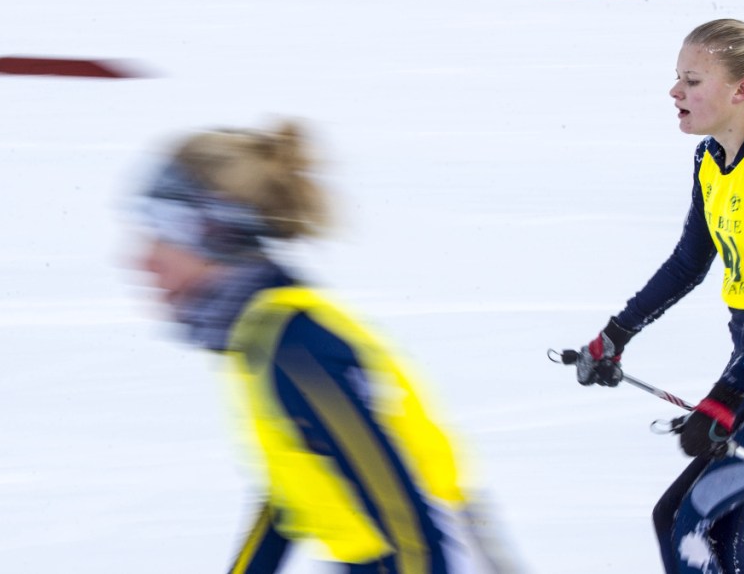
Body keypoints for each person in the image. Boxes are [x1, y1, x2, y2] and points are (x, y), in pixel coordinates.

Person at [132, 120, 516, 574]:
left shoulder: (297, 350)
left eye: (162, 232)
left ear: (215, 233)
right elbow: (294, 492)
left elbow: (414, 531)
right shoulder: (263, 339)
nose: (143, 260)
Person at [570, 19, 744, 573]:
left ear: (741, 90)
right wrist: (614, 336)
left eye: (692, 81)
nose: (675, 91)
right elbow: (687, 264)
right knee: (688, 519)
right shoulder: (712, 159)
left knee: (693, 519)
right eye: (678, 77)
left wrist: (725, 396)